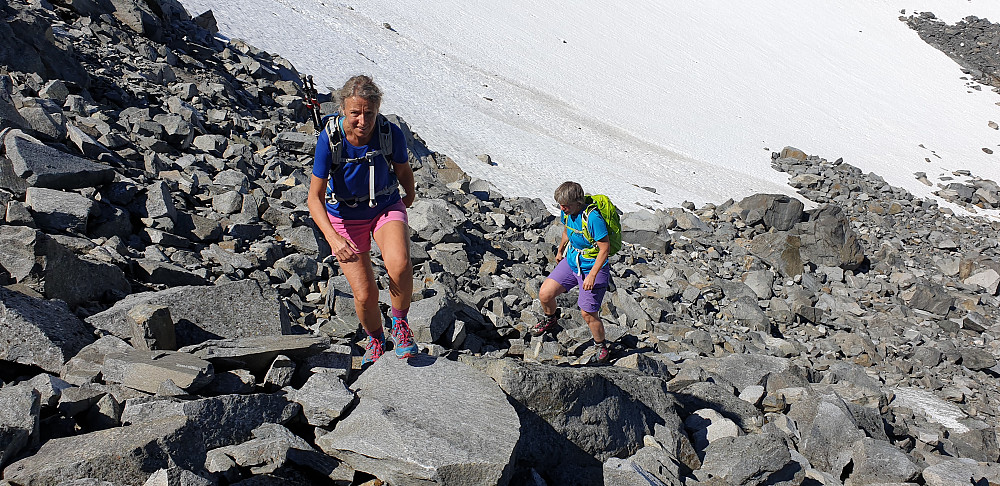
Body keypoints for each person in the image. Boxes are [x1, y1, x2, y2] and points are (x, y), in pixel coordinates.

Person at [307, 75, 418, 364]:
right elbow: (314, 197)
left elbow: (403, 169)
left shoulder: (389, 132)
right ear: (343, 108)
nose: (362, 120)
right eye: (355, 113)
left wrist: (410, 194)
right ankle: (375, 339)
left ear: (377, 109)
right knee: (365, 294)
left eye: (369, 113)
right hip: (344, 216)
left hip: (385, 204)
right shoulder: (329, 139)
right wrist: (333, 237)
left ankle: (401, 324)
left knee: (401, 264)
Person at [533, 181, 612, 363]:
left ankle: (601, 346)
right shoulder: (567, 212)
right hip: (572, 260)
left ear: (578, 201)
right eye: (561, 205)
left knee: (587, 313)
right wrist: (561, 249)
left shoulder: (593, 219)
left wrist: (592, 275)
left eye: (566, 205)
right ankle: (550, 319)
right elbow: (568, 231)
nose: (563, 208)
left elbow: (604, 248)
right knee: (545, 294)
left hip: (592, 265)